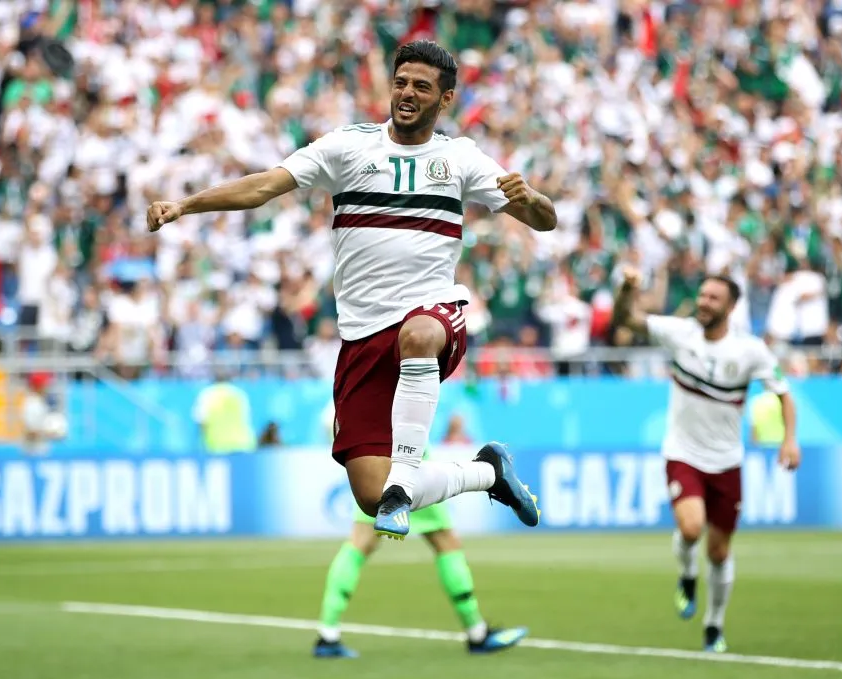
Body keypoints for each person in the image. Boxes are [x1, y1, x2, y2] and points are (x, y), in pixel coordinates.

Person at [147, 41, 555, 539]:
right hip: (363, 335)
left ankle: (403, 489)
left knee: (420, 336)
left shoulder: (460, 158)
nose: (407, 93)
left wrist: (531, 199)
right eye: (401, 82)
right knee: (369, 494)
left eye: (421, 86)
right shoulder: (347, 146)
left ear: (445, 100)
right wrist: (185, 206)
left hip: (433, 315)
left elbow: (544, 220)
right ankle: (489, 472)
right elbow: (263, 187)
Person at [611, 266, 801, 653]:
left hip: (727, 461)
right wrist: (627, 289)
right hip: (683, 453)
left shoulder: (750, 351)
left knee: (719, 551)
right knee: (692, 528)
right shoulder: (680, 333)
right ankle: (685, 573)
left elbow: (783, 393)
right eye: (701, 295)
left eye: (713, 297)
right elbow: (624, 320)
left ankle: (714, 624)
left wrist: (789, 441)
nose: (703, 302)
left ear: (731, 306)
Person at [314, 408, 527, 658]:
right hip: (406, 455)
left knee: (359, 543)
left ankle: (327, 633)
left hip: (370, 455)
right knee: (446, 542)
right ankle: (476, 632)